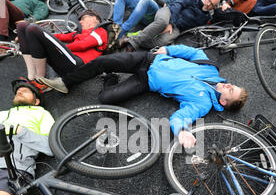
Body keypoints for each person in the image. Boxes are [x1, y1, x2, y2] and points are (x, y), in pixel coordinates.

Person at [38, 44, 248, 150]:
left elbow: (180, 117)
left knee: (106, 99)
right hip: (148, 60)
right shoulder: (211, 69)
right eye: (232, 85)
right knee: (102, 61)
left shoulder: (202, 103)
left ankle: (110, 77)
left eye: (230, 90)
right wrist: (168, 48)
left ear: (223, 101)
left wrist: (182, 131)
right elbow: (191, 51)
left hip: (146, 82)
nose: (229, 84)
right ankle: (66, 82)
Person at [0, 78, 55, 195]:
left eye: (25, 90)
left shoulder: (41, 114)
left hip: (11, 170)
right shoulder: (2, 113)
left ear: (36, 100)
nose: (19, 91)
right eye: (18, 90)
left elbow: (51, 147)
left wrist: (21, 131)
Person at [16, 10, 107, 83]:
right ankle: (31, 77)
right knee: (22, 26)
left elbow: (82, 45)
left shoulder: (100, 31)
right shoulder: (78, 33)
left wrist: (60, 47)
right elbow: (60, 37)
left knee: (33, 29)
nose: (80, 21)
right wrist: (27, 35)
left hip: (77, 64)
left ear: (94, 18)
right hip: (65, 62)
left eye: (83, 18)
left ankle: (40, 79)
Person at [119, 0, 221, 51]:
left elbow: (221, 18)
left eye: (212, 4)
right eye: (208, 0)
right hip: (168, 12)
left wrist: (225, 7)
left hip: (178, 28)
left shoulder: (206, 17)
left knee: (163, 40)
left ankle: (129, 39)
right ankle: (133, 43)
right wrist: (171, 22)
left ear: (214, 7)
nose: (208, 4)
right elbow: (177, 5)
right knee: (162, 23)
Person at [113, 0, 188, 39]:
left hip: (156, 14)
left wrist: (163, 4)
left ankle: (122, 31)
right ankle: (116, 27)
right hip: (144, 7)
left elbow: (175, 11)